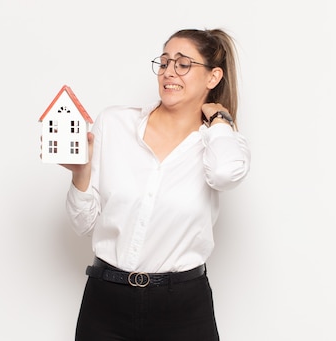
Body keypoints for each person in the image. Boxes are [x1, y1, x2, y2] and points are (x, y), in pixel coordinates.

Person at [62, 28, 251, 341]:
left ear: (213, 77)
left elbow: (224, 174)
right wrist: (80, 173)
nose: (169, 73)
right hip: (106, 299)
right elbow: (82, 224)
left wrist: (219, 119)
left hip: (183, 307)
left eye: (183, 64)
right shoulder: (115, 124)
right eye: (164, 63)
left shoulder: (221, 143)